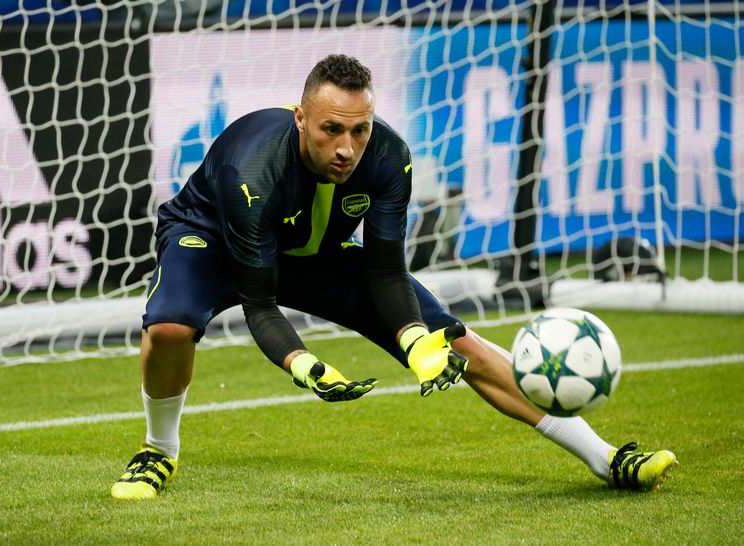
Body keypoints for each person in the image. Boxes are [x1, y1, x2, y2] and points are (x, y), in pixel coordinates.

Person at [111, 54, 677, 500]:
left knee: (457, 343)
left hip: (317, 254)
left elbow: (385, 270)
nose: (347, 148)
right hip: (213, 242)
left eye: (359, 131)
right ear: (300, 117)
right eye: (332, 129)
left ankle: (607, 459)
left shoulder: (390, 159)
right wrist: (303, 362)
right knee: (169, 328)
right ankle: (159, 450)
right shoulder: (251, 169)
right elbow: (258, 302)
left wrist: (414, 339)